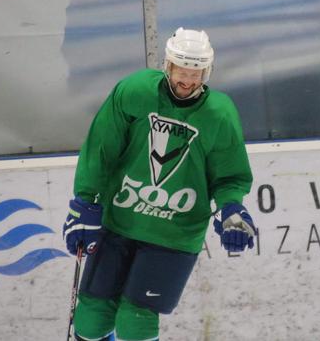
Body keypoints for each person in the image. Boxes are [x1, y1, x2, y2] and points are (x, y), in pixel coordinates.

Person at [62, 27, 257, 341]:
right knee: (90, 317)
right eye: (182, 69)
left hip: (174, 234)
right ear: (167, 65)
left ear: (207, 72)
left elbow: (229, 176)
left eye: (197, 72)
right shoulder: (135, 91)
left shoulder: (219, 114)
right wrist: (85, 201)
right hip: (119, 221)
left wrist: (231, 208)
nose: (188, 79)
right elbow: (102, 148)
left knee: (134, 319)